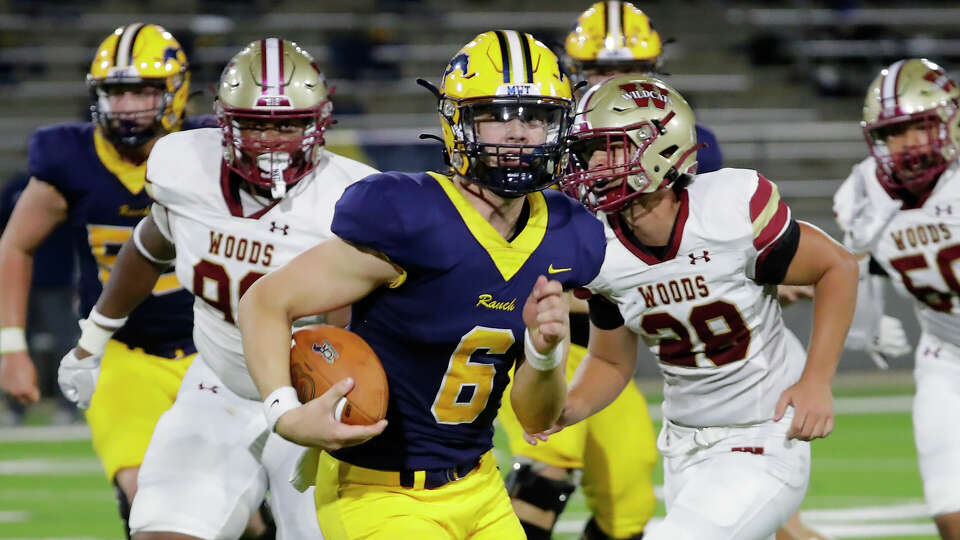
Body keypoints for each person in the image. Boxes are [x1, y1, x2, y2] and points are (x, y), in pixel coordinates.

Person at [238, 30, 607, 539]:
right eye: (497, 116)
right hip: (378, 491)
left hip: (481, 487)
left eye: (536, 117)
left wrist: (545, 355)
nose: (519, 132)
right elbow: (265, 301)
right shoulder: (408, 216)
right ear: (458, 122)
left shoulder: (568, 235)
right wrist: (283, 414)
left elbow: (536, 417)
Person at [57, 38, 376, 539]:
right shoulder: (186, 170)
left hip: (320, 402)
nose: (271, 140)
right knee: (162, 532)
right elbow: (148, 246)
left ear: (318, 123)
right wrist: (93, 338)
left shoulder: (356, 200)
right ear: (224, 121)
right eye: (255, 123)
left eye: (287, 124)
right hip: (220, 389)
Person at [536, 75, 858, 540]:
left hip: (762, 434)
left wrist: (816, 381)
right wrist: (565, 409)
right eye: (590, 151)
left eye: (611, 147)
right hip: (685, 446)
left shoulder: (728, 207)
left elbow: (838, 268)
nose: (595, 164)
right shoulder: (599, 245)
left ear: (661, 147)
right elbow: (609, 359)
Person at [0, 23, 213, 536]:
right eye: (116, 93)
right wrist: (11, 346)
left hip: (214, 350)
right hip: (121, 351)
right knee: (148, 499)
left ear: (176, 90)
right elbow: (15, 244)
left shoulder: (210, 149)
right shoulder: (71, 156)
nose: (128, 106)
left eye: (143, 91)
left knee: (244, 514)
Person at [834, 58, 960, 540]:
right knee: (950, 513)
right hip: (944, 356)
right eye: (894, 132)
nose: (906, 144)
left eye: (919, 127)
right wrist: (868, 321)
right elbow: (856, 263)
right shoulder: (864, 189)